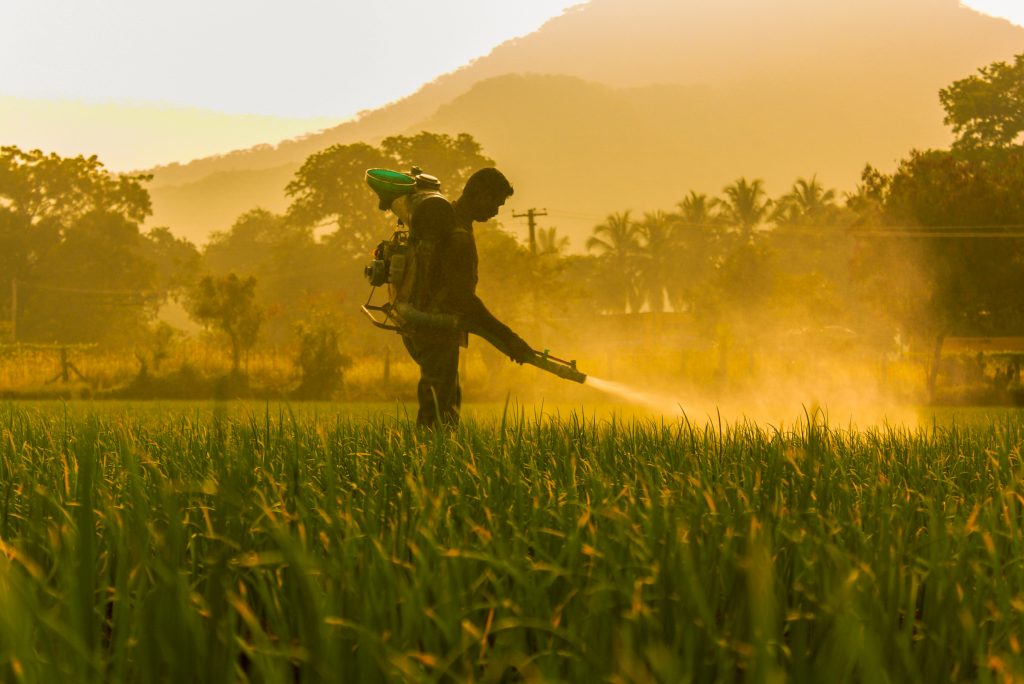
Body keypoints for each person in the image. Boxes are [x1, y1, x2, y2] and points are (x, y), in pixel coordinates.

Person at [402, 167, 533, 427]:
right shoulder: (457, 236)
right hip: (437, 330)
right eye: (495, 203)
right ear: (481, 194)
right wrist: (510, 338)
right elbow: (465, 302)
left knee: (446, 408)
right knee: (437, 416)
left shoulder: (446, 220)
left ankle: (432, 460)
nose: (495, 212)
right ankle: (420, 464)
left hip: (420, 327)